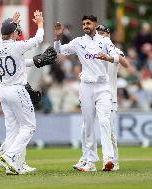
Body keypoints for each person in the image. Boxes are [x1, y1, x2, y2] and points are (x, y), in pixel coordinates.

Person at [54, 15, 126, 172]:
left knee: (105, 121)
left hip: (103, 87)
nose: (85, 26)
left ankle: (109, 159)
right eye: (84, 24)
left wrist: (107, 57)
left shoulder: (105, 41)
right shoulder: (79, 42)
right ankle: (90, 161)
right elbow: (59, 50)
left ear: (95, 24)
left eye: (88, 23)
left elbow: (118, 58)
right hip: (86, 87)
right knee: (87, 125)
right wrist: (58, 37)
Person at [0, 10, 56, 175]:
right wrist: (40, 24)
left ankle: (13, 164)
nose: (18, 33)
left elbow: (18, 61)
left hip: (3, 91)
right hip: (16, 89)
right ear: (13, 33)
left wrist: (36, 62)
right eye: (16, 31)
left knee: (14, 129)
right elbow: (38, 39)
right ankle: (11, 156)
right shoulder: (17, 46)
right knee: (29, 126)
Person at [81, 24, 129, 171]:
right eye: (99, 33)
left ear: (108, 35)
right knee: (86, 127)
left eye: (103, 33)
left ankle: (114, 161)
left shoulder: (114, 50)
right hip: (93, 93)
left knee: (109, 129)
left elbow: (126, 64)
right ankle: (86, 159)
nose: (100, 35)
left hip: (110, 96)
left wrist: (112, 54)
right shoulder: (92, 50)